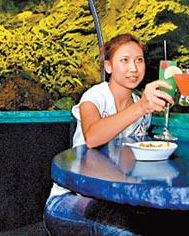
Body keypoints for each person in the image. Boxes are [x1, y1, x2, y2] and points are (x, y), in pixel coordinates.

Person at [44, 33, 173, 235]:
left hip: (115, 200)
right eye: (125, 60)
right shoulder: (95, 97)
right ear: (108, 66)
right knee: (122, 228)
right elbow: (93, 137)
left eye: (139, 60)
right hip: (70, 200)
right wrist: (140, 107)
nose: (133, 68)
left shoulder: (142, 108)